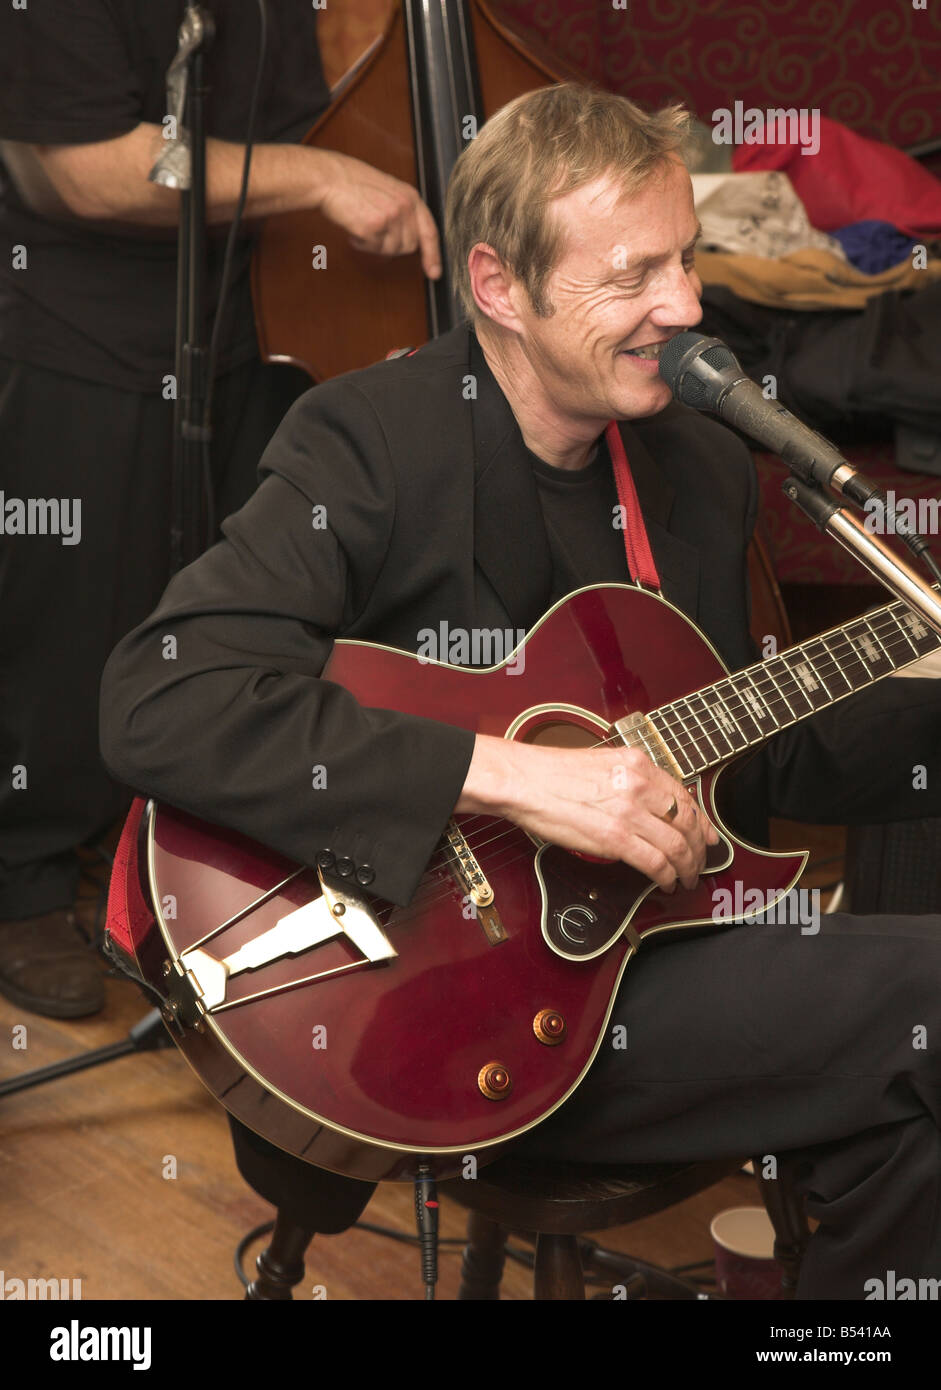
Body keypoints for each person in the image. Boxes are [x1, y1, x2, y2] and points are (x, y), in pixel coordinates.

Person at [99, 83, 941, 1299]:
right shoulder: (372, 444)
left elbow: (751, 750)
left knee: (909, 1094)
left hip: (649, 950)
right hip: (445, 1002)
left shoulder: (695, 466)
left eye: (687, 260)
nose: (686, 307)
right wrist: (515, 776)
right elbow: (158, 697)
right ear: (498, 286)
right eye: (633, 274)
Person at [0, 1, 441, 1018]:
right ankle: (23, 882)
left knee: (225, 627)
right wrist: (324, 176)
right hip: (80, 333)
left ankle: (171, 874)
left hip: (258, 316)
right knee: (67, 623)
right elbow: (88, 170)